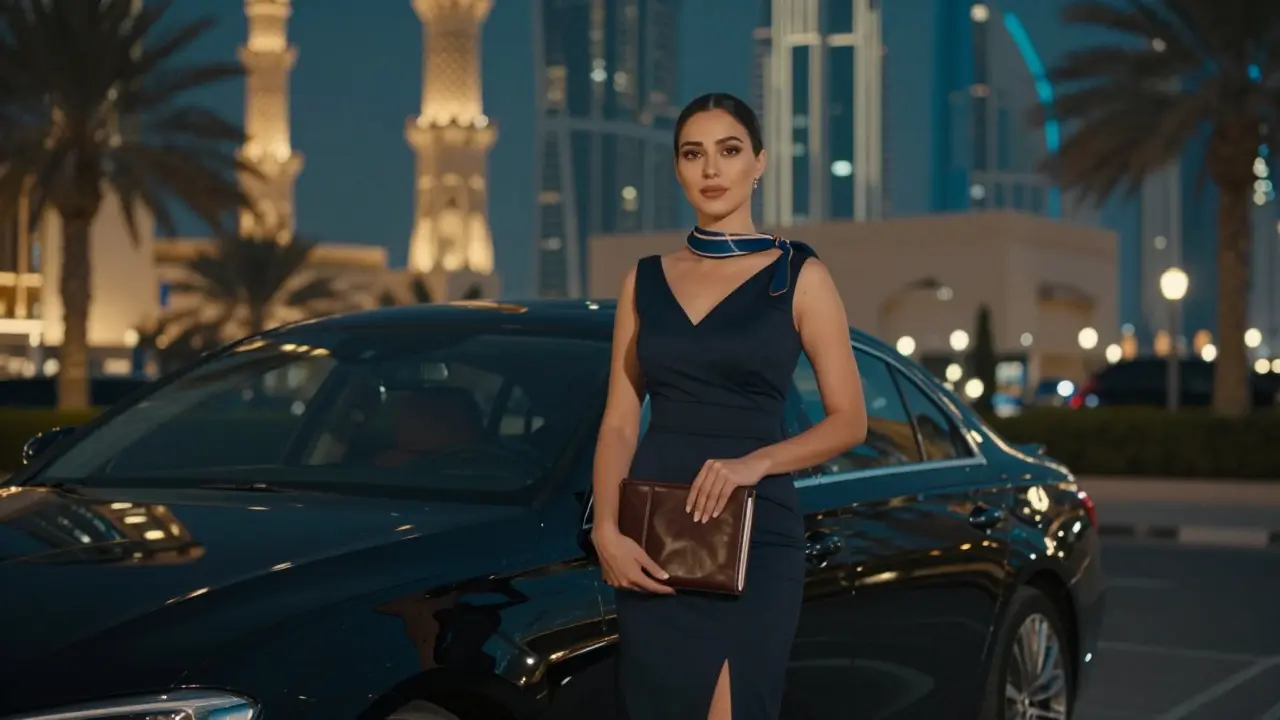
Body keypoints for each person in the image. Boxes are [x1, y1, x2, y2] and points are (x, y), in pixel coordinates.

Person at [589, 92, 869, 720]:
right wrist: (607, 529)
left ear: (758, 163)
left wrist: (754, 463)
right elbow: (618, 420)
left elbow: (850, 419)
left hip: (756, 536)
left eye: (729, 150)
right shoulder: (644, 280)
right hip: (655, 538)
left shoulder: (798, 275)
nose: (711, 169)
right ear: (678, 169)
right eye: (694, 154)